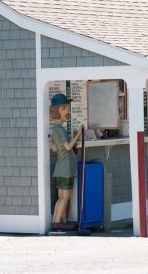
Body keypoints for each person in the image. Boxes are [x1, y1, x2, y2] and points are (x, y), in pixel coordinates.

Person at [49, 93, 83, 231]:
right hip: (65, 168)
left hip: (60, 168)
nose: (68, 111)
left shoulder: (55, 129)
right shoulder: (60, 130)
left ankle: (59, 221)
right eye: (67, 109)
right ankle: (57, 222)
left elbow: (55, 148)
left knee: (61, 197)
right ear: (60, 110)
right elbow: (67, 147)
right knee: (65, 197)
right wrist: (79, 134)